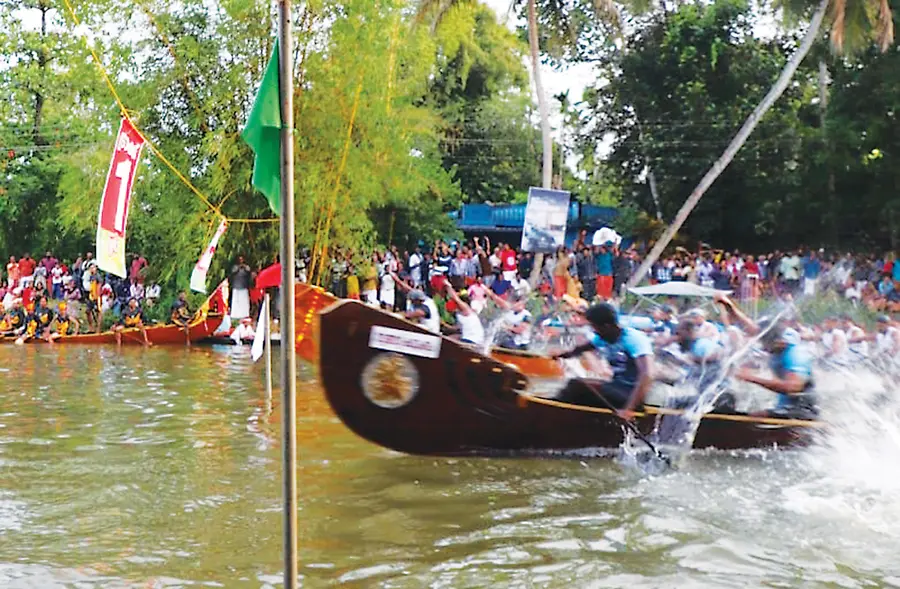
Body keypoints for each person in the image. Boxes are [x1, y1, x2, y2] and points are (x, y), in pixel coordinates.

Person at [551, 303, 655, 420]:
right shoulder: (604, 337)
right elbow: (580, 349)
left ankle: (553, 412)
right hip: (616, 387)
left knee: (576, 384)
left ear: (607, 326)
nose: (594, 331)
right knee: (580, 393)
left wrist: (628, 409)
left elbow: (648, 375)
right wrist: (561, 355)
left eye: (594, 327)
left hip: (632, 394)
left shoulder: (633, 339)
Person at [735, 321, 817, 418]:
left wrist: (751, 378)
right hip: (784, 407)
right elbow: (754, 328)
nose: (763, 346)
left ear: (777, 341)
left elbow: (792, 388)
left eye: (764, 342)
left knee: (756, 416)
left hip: (802, 409)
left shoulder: (794, 355)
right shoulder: (776, 351)